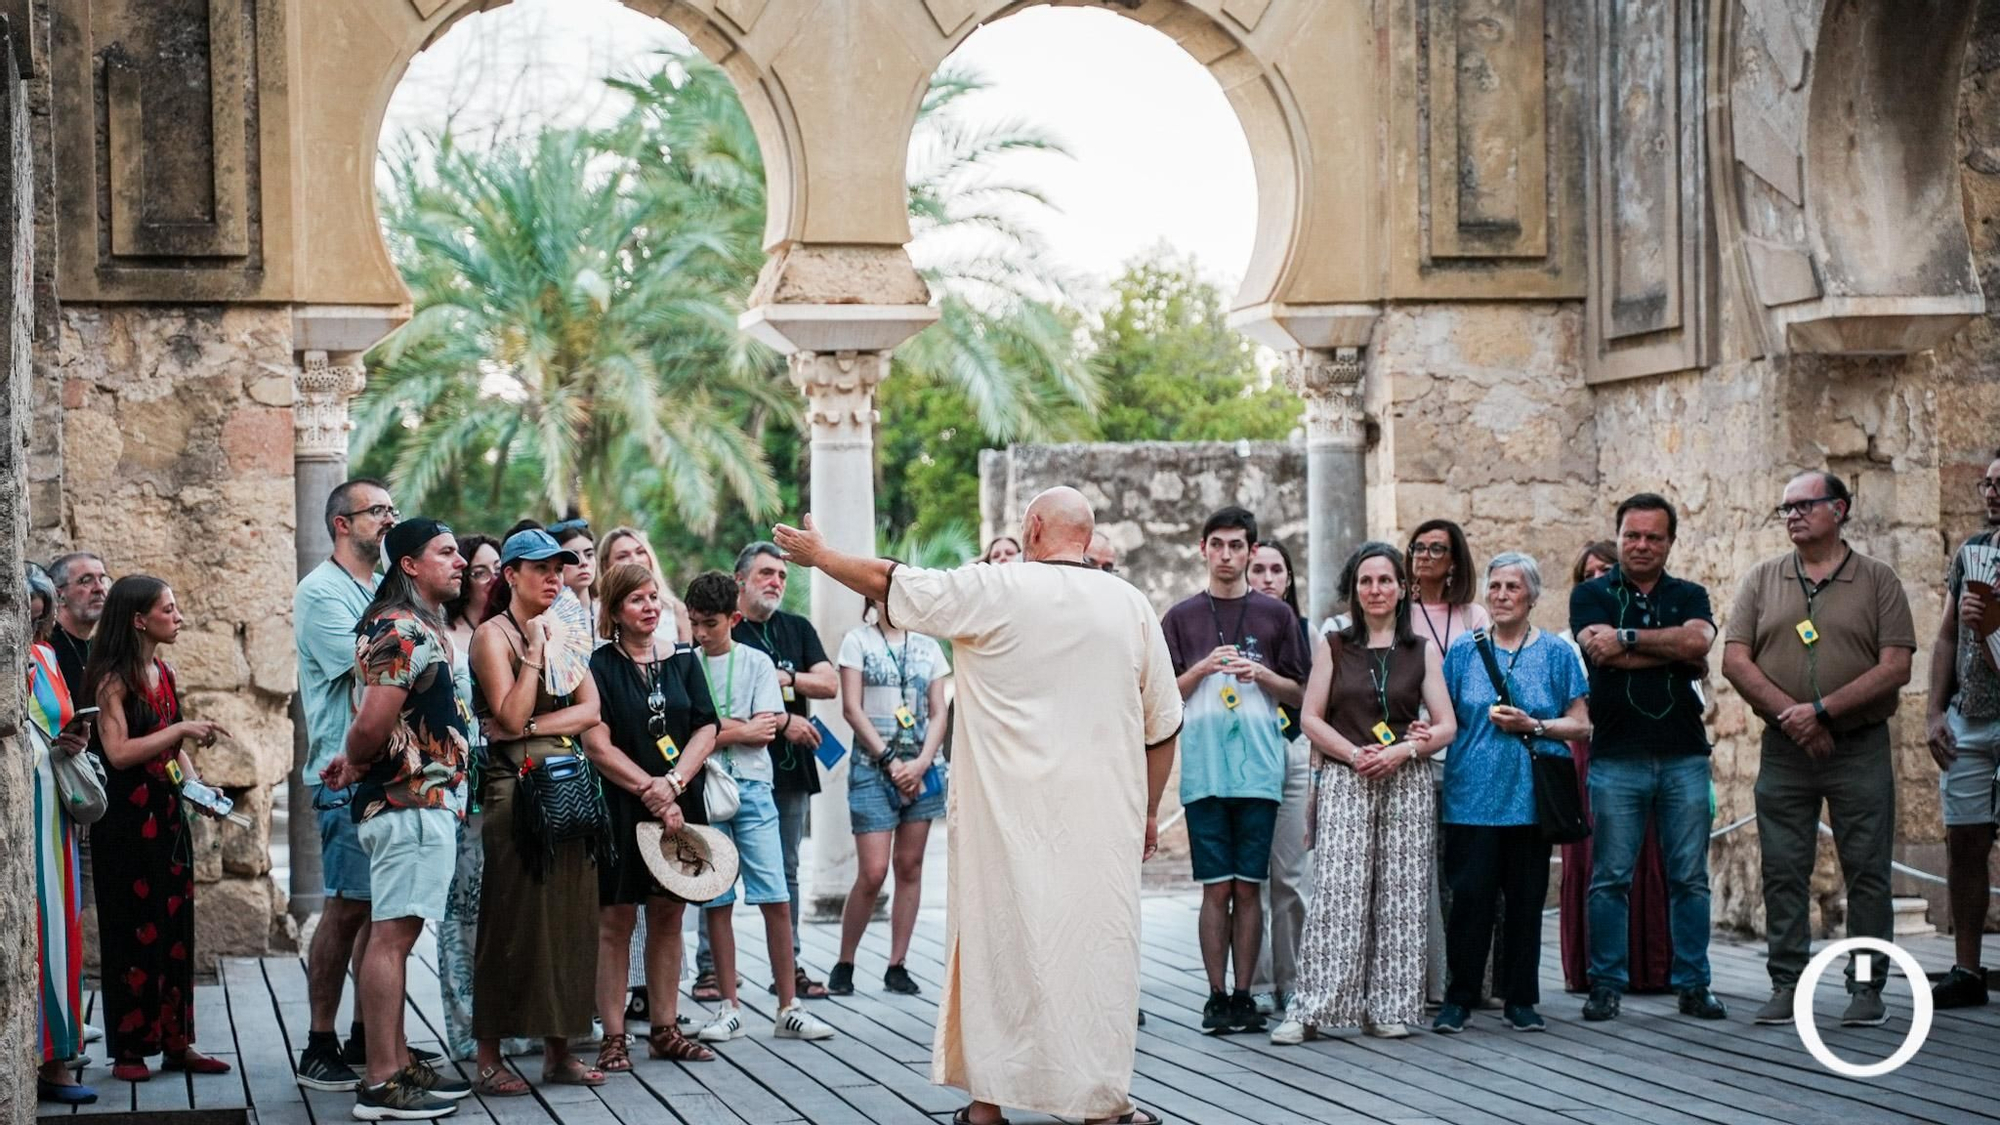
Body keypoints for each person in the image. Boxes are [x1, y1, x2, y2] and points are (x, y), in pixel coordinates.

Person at [774, 485, 1183, 1125]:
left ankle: (987, 1109)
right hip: (1103, 821)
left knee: (998, 950)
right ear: (1085, 534)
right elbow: (1163, 725)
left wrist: (823, 557)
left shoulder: (998, 588)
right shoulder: (1130, 605)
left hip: (1006, 824)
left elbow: (892, 580)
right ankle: (1102, 1108)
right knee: (1098, 953)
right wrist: (1150, 812)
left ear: (1038, 528)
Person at [1723, 472, 1915, 1027]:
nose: (1792, 515)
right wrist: (1796, 718)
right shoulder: (1762, 579)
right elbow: (1736, 660)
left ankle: (1865, 990)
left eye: (1804, 505)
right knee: (1783, 869)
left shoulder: (1877, 580)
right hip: (1784, 748)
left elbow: (1896, 666)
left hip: (1858, 746)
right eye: (1784, 507)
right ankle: (1788, 984)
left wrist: (1823, 711)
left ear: (1840, 509)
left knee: (1867, 869)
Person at [319, 520, 475, 1120]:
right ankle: (383, 1081)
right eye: (445, 553)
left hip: (421, 800)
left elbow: (388, 720)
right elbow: (371, 720)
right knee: (392, 937)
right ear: (409, 565)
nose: (459, 561)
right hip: (408, 805)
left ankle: (396, 1059)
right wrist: (356, 758)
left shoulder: (416, 625)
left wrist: (357, 762)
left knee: (394, 936)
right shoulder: (399, 626)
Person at [1276, 542, 1456, 1045]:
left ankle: (1389, 1006)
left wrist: (1406, 751)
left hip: (1404, 778)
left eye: (1385, 581)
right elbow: (1310, 717)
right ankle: (1311, 1008)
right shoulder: (1335, 645)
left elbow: (1445, 726)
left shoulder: (1420, 651)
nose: (1375, 590)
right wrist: (1355, 755)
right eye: (1366, 581)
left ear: (1402, 589)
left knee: (1401, 895)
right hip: (1347, 776)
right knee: (1338, 893)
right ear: (1355, 591)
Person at [1570, 493, 1726, 1023]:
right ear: (1617, 538)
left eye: (1653, 537)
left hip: (1684, 755)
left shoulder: (1690, 593)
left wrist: (1630, 641)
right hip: (1616, 756)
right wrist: (1670, 649)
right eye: (1632, 536)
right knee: (1611, 876)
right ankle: (1606, 985)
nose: (1641, 545)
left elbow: (1698, 643)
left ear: (1669, 543)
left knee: (1690, 877)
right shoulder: (1591, 596)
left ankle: (1694, 984)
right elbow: (1597, 648)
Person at [467, 529, 606, 1095]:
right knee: (510, 917)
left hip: (569, 783)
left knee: (571, 920)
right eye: (541, 568)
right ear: (511, 575)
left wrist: (527, 727)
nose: (555, 577)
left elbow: (590, 710)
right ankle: (487, 1055)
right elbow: (508, 708)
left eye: (560, 567)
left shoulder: (569, 626)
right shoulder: (490, 636)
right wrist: (533, 654)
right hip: (513, 790)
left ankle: (559, 1050)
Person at [1163, 507, 1308, 1034]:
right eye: (1218, 545)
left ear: (1251, 551)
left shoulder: (1276, 617)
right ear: (1203, 549)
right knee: (1214, 888)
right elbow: (1159, 694)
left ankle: (1246, 994)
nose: (1227, 555)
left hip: (1261, 771)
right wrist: (1201, 669)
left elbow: (1301, 691)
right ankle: (1215, 995)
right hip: (1204, 770)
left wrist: (1262, 674)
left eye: (1238, 546)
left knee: (1250, 887)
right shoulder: (1181, 617)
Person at [1434, 553, 1591, 1034]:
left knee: (1525, 904)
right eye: (1495, 586)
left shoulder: (1557, 654)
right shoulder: (1463, 651)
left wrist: (1535, 724)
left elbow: (1582, 724)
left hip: (1530, 798)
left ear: (1533, 597)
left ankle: (1521, 999)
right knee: (1469, 903)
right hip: (1471, 796)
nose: (1501, 595)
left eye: (1512, 587)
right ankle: (1459, 998)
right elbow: (1444, 717)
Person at [85, 576, 232, 1082]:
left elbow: (173, 751)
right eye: (169, 609)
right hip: (125, 826)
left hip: (167, 821)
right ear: (139, 619)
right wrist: (181, 730)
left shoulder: (162, 671)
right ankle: (129, 1049)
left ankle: (177, 1042)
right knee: (131, 930)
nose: (179, 617)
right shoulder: (111, 679)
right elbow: (121, 751)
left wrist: (200, 791)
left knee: (175, 934)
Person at [680, 572, 836, 1044]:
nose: (700, 633)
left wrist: (714, 729)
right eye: (693, 624)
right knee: (717, 899)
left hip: (751, 786)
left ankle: (788, 1004)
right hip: (705, 793)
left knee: (774, 894)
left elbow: (763, 729)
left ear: (733, 618)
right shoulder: (685, 663)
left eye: (709, 623)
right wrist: (733, 728)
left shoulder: (756, 662)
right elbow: (692, 729)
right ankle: (729, 1005)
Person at [582, 562, 721, 1068]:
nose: (650, 607)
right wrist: (649, 789)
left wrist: (674, 785)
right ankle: (614, 1036)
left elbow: (707, 726)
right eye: (637, 599)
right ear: (615, 609)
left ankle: (666, 1027)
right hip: (623, 804)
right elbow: (595, 742)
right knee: (616, 919)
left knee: (670, 913)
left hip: (681, 804)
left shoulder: (683, 659)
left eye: (653, 597)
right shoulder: (598, 665)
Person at [294, 478, 402, 1091]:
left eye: (393, 510)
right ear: (342, 523)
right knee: (345, 908)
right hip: (344, 774)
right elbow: (376, 660)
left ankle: (367, 1037)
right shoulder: (320, 593)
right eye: (377, 512)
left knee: (380, 913)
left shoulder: (382, 588)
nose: (389, 520)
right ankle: (317, 1043)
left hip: (390, 773)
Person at [1557, 540, 1673, 995]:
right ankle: (1593, 969)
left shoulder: (1649, 625)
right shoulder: (1568, 643)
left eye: (1605, 570)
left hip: (1640, 747)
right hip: (1587, 751)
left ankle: (1649, 966)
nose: (1597, 579)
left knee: (1645, 856)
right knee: (1591, 860)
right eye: (1588, 574)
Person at [725, 541, 836, 999]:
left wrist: (786, 677)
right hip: (734, 771)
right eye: (767, 573)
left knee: (786, 867)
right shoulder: (724, 630)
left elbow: (828, 683)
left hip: (791, 772)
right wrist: (786, 717)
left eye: (782, 576)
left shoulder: (798, 628)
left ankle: (788, 965)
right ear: (741, 581)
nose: (776, 582)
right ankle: (715, 970)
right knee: (722, 868)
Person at [829, 595, 951, 996]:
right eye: (884, 595)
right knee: (873, 872)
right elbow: (851, 707)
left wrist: (920, 763)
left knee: (910, 865)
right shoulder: (858, 641)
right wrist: (888, 760)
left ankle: (897, 963)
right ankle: (846, 959)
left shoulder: (928, 647)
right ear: (871, 601)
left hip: (921, 770)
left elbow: (938, 711)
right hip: (872, 767)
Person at [1927, 449, 2000, 1008]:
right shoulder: (1972, 551)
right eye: (1988, 483)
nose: (1992, 493)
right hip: (1969, 715)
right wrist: (1934, 712)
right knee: (1965, 842)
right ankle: (1968, 969)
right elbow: (1949, 635)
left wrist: (1995, 631)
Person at [27, 565, 97, 1105]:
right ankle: (46, 1058)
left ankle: (61, 1052)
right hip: (28, 808)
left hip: (58, 808)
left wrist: (73, 738)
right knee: (39, 929)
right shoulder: (19, 661)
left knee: (63, 929)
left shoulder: (47, 656)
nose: (35, 610)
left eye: (41, 601)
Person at [433, 531, 501, 1061]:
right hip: (464, 777)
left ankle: (513, 1022)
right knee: (464, 904)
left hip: (509, 775)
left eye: (499, 567)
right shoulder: (444, 633)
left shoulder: (512, 631)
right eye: (480, 569)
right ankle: (466, 1029)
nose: (492, 577)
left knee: (507, 903)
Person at [1245, 539, 1313, 1018]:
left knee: (1290, 876)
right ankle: (1257, 981)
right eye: (1259, 570)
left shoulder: (1304, 630)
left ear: (1289, 579)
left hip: (1292, 747)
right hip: (1243, 753)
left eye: (1276, 570)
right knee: (1250, 877)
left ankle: (1293, 979)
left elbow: (1307, 695)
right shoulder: (1230, 627)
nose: (1268, 578)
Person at [1406, 520, 1491, 653]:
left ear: (1454, 561)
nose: (1424, 556)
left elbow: (1482, 669)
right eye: (1419, 548)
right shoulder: (1399, 615)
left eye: (1436, 549)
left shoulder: (1473, 616)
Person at [599, 525, 691, 646]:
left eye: (640, 552)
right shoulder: (592, 612)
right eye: (623, 556)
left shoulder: (676, 609)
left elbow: (686, 661)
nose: (634, 559)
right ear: (606, 565)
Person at [48, 551, 108, 693]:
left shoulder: (104, 649)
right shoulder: (46, 647)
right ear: (59, 595)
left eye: (103, 580)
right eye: (86, 580)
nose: (99, 588)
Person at [549, 518, 598, 638]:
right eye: (574, 556)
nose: (584, 562)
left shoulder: (610, 612)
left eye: (589, 555)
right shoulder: (546, 617)